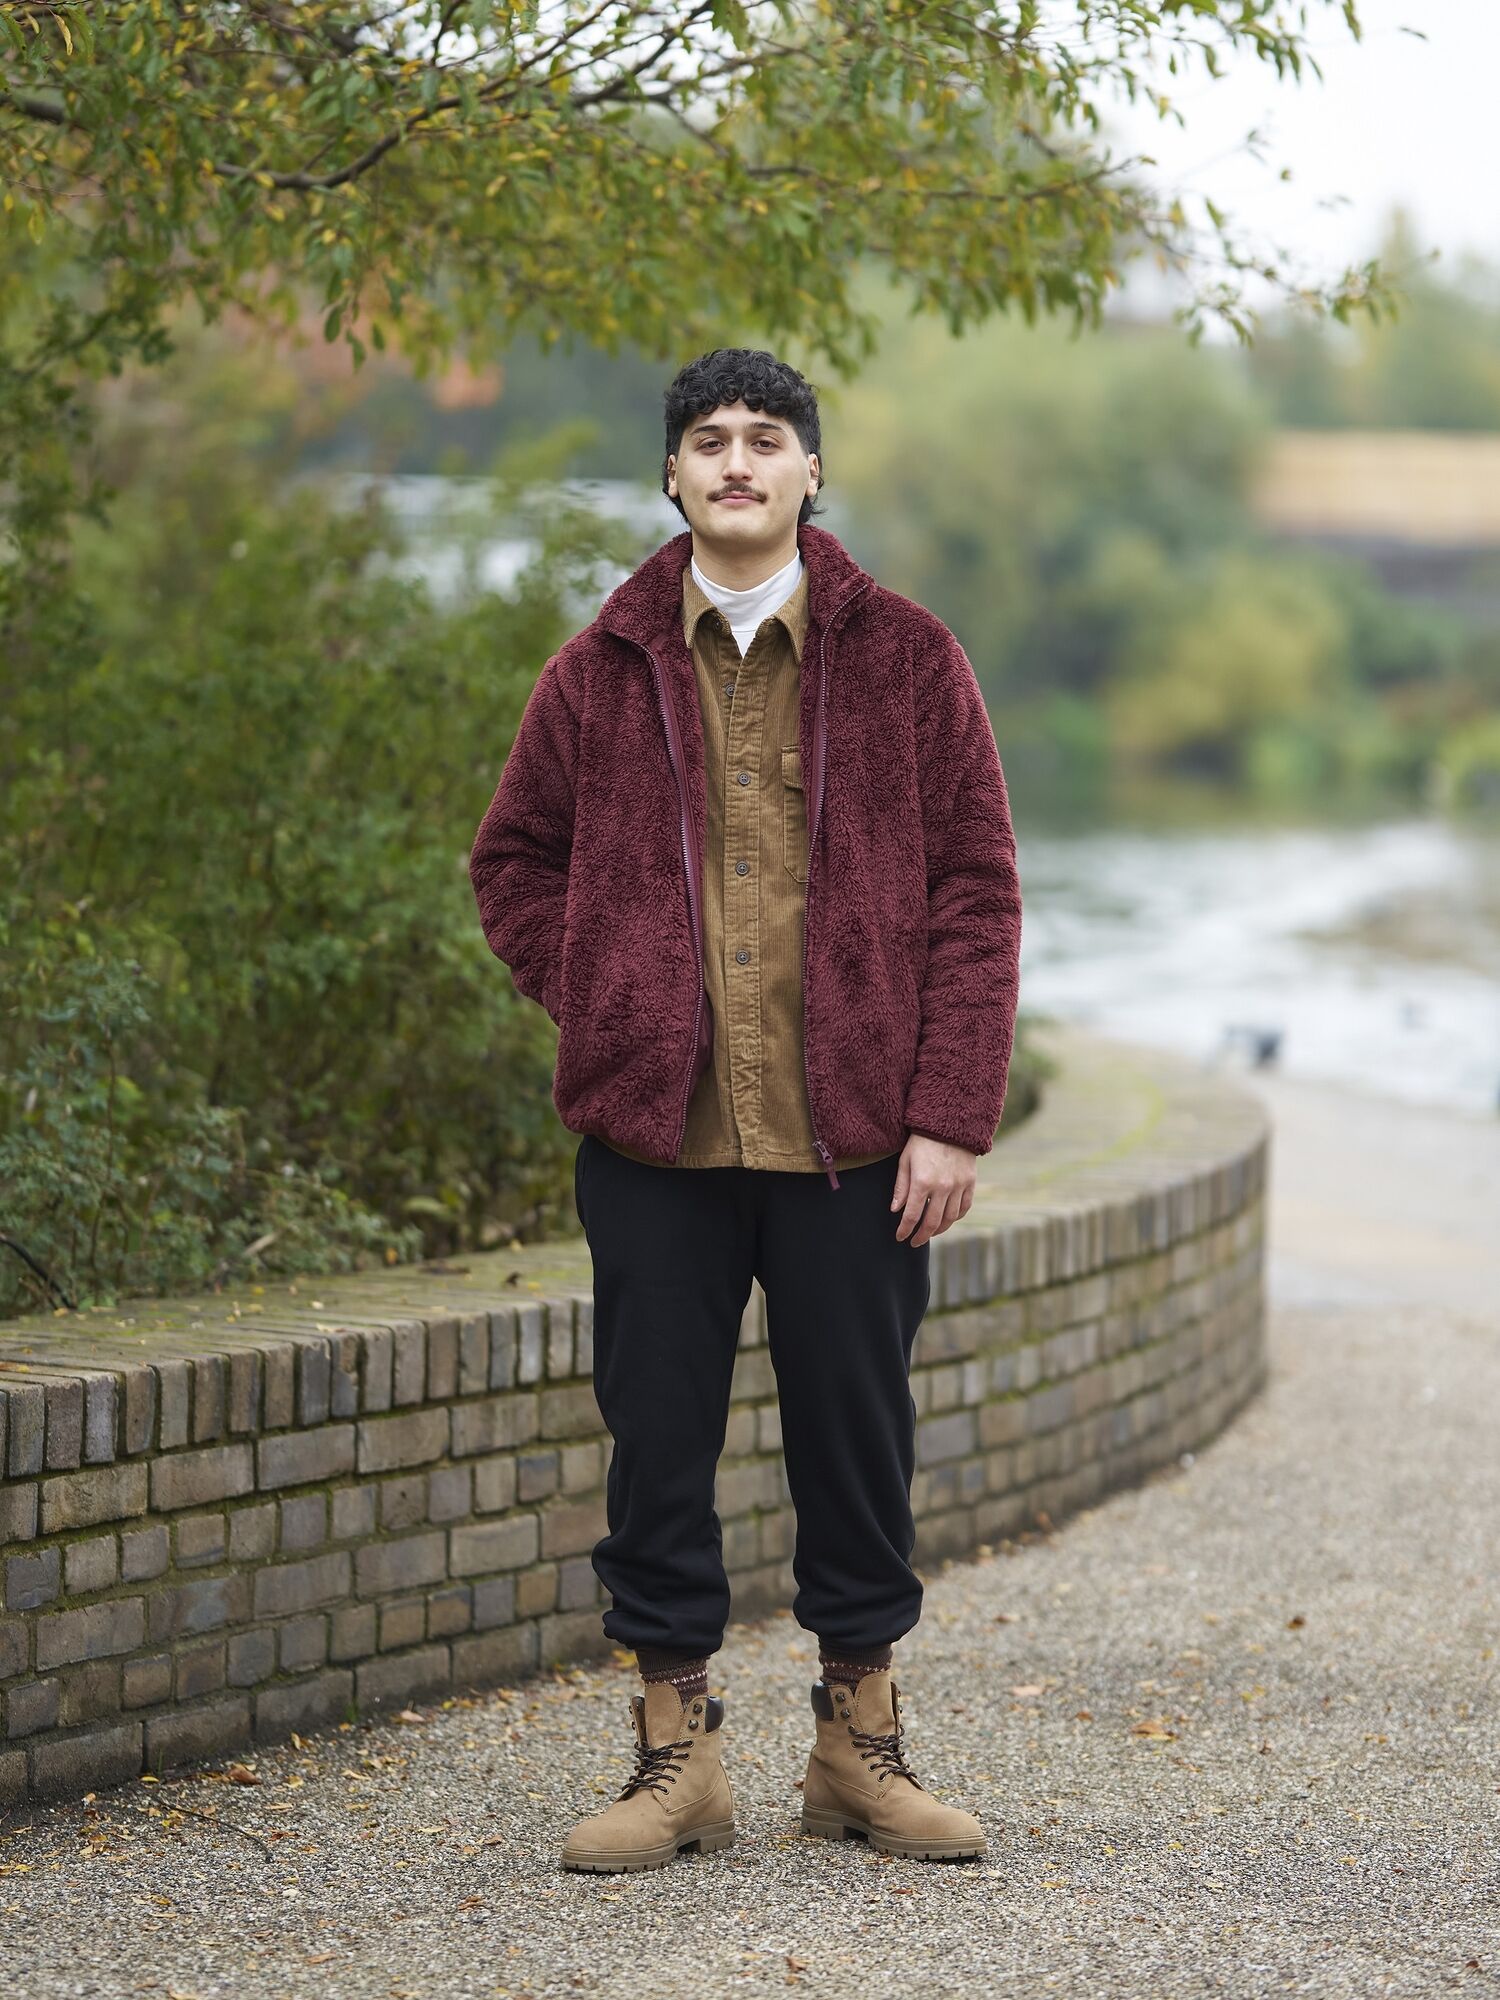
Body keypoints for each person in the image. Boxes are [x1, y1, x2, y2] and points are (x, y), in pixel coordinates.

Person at [469, 347, 1022, 1873]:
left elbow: (977, 892)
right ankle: (678, 1761)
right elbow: (511, 864)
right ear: (671, 475)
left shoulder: (910, 659)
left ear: (810, 472)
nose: (734, 461)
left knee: (859, 1445)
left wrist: (951, 1112)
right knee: (656, 1448)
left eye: (765, 439)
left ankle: (858, 1749)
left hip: (860, 1149)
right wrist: (608, 1000)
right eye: (707, 439)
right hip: (656, 1147)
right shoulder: (597, 670)